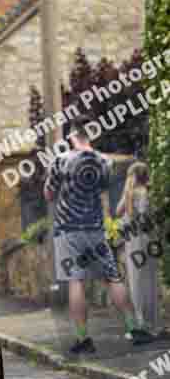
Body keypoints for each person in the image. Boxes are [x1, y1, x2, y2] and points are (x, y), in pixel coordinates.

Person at [44, 120, 153, 353]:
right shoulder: (105, 162)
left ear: (72, 136)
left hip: (68, 229)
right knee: (112, 277)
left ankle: (83, 339)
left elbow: (49, 193)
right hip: (95, 228)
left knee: (76, 281)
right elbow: (103, 189)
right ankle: (134, 328)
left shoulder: (61, 161)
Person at [116, 161, 160, 337]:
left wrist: (127, 193)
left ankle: (143, 325)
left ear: (132, 177)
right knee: (149, 281)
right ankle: (150, 324)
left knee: (137, 282)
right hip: (146, 240)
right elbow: (140, 215)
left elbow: (122, 212)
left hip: (136, 241)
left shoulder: (134, 193)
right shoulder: (142, 193)